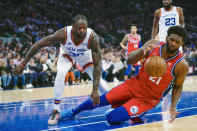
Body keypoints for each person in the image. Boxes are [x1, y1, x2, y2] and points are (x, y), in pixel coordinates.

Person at [60, 26, 188, 125]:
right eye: (171, 39)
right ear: (166, 38)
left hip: (148, 99)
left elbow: (177, 87)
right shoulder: (153, 44)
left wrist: (172, 108)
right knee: (103, 99)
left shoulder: (181, 65)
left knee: (112, 118)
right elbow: (129, 61)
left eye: (177, 42)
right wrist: (142, 51)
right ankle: (73, 112)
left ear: (181, 44)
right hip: (134, 84)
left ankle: (128, 109)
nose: (173, 43)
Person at [12, 14, 109, 125]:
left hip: (85, 57)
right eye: (79, 28)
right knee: (61, 73)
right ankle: (56, 110)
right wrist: (23, 64)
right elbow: (39, 44)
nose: (82, 31)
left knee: (101, 85)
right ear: (72, 27)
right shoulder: (63, 33)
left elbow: (97, 65)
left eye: (84, 28)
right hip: (67, 54)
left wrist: (95, 89)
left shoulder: (92, 37)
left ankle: (116, 103)